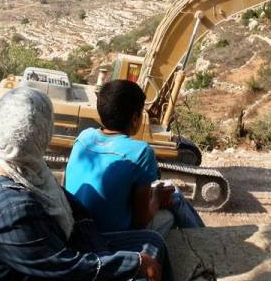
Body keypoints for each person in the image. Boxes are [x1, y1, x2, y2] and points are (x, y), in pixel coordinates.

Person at [0, 87, 176, 281]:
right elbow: (66, 270)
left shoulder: (21, 164)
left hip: (46, 260)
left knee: (153, 242)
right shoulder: (11, 207)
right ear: (40, 133)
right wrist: (131, 263)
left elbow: (73, 207)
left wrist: (101, 252)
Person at [65, 79, 204, 235]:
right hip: (110, 237)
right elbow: (140, 222)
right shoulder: (141, 152)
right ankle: (204, 242)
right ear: (135, 118)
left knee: (169, 189)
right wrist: (157, 198)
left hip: (79, 227)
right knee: (175, 200)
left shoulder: (84, 137)